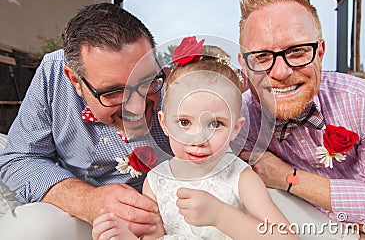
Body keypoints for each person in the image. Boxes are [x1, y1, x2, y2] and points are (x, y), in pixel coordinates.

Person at [232, 0, 365, 238]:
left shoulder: (362, 100)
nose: (280, 72)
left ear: (320, 52)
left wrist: (288, 178)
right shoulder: (237, 120)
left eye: (297, 51)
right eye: (262, 57)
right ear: (244, 65)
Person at [92, 37, 297, 240]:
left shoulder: (240, 177)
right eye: (184, 122)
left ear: (236, 128)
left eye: (215, 124)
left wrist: (221, 216)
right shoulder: (156, 181)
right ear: (164, 124)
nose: (199, 139)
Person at [0, 3, 173, 240]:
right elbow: (20, 158)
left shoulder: (177, 90)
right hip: (75, 213)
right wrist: (87, 200)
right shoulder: (52, 74)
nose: (136, 107)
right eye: (112, 93)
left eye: (147, 82)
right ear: (74, 80)